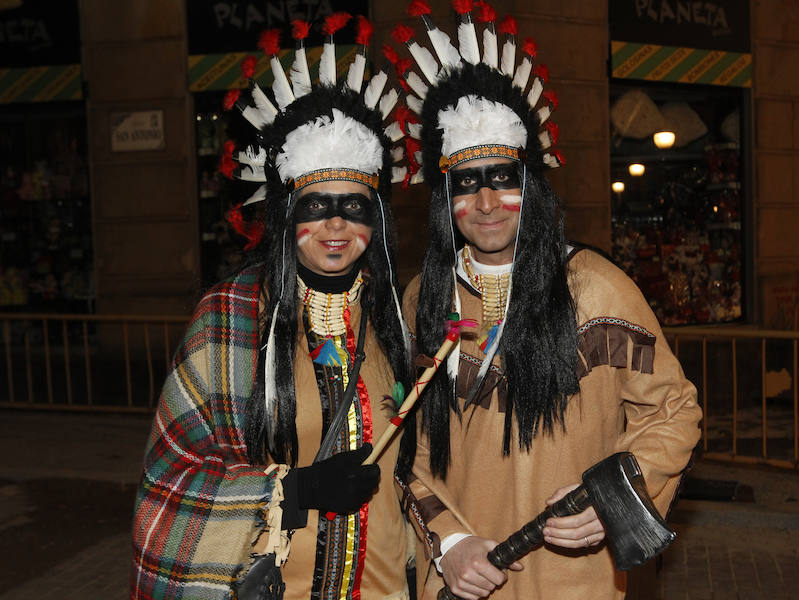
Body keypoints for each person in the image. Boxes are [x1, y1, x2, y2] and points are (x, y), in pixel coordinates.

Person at [388, 3, 703, 599]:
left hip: (572, 585)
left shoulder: (597, 289)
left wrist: (617, 493)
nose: (485, 202)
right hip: (461, 585)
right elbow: (404, 449)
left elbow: (674, 410)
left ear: (530, 184)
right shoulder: (420, 302)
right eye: (466, 182)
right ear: (444, 197)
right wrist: (450, 545)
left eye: (503, 178)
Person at [131, 16, 415, 600]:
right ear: (288, 215)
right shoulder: (230, 317)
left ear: (375, 222)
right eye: (317, 205)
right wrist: (295, 490)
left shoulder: (400, 318)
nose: (336, 224)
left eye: (354, 207)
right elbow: (167, 483)